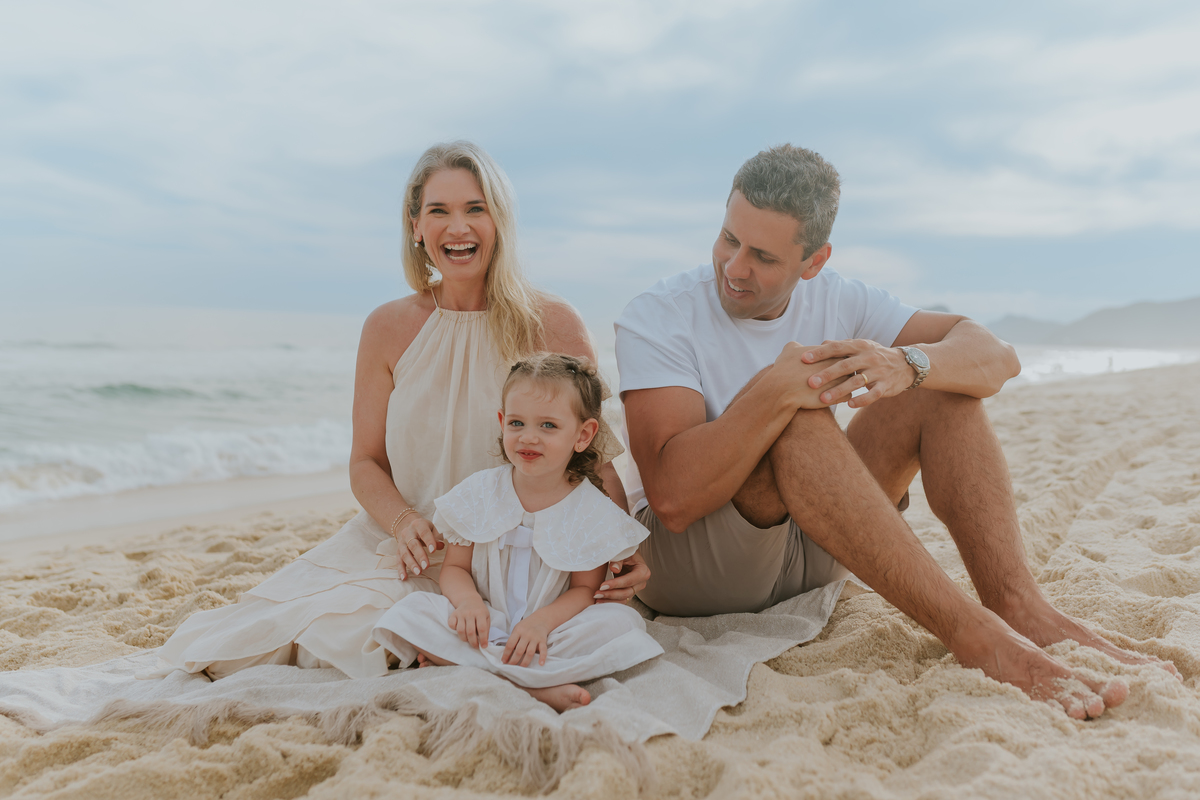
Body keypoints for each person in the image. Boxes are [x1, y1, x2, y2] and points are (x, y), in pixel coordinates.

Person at [615, 144, 1177, 721]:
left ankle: (1017, 605)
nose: (734, 267)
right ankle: (975, 636)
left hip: (810, 548)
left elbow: (995, 357)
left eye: (763, 255)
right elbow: (673, 498)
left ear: (813, 262)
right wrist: (774, 390)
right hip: (695, 569)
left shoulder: (840, 297)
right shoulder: (659, 315)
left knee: (939, 391)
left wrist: (908, 365)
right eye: (729, 239)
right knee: (797, 417)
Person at [158, 141, 649, 680]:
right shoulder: (387, 327)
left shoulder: (553, 323)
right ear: (416, 226)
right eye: (438, 211)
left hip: (529, 561)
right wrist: (403, 522)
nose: (457, 228)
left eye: (475, 209)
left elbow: (596, 462)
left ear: (499, 221)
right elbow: (365, 461)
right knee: (272, 643)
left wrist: (619, 551)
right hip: (417, 547)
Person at [372, 353, 663, 712]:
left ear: (583, 435)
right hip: (483, 621)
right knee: (412, 611)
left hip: (552, 631)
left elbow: (585, 590)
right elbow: (455, 568)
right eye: (517, 423)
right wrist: (468, 603)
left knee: (621, 623)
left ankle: (486, 673)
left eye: (548, 426)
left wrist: (541, 623)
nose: (529, 437)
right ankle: (534, 687)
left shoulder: (591, 511)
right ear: (501, 422)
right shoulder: (478, 493)